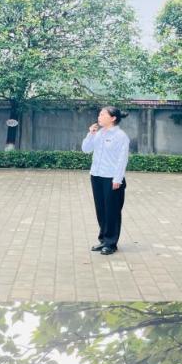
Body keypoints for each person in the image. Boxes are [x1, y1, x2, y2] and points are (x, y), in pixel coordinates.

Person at [82, 106, 130, 256]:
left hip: (112, 178)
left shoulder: (121, 136)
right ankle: (103, 240)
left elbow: (122, 159)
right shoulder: (98, 133)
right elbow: (86, 149)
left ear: (113, 118)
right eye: (99, 114)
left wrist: (118, 178)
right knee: (101, 210)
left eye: (103, 115)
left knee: (112, 211)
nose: (99, 117)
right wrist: (90, 134)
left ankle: (111, 243)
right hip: (96, 176)